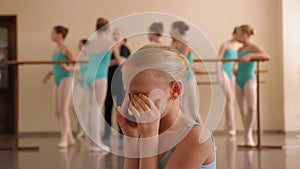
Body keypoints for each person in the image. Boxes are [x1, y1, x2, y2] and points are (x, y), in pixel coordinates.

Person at [117, 44, 216, 169]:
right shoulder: (148, 129)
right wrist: (130, 137)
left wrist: (149, 138)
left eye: (139, 95)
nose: (132, 105)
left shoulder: (196, 138)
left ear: (175, 90)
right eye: (129, 94)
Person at [235, 24, 269, 146]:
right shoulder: (239, 50)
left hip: (249, 78)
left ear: (245, 35)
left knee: (251, 108)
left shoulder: (254, 47)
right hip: (239, 79)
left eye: (238, 33)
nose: (236, 36)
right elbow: (238, 64)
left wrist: (251, 56)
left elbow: (266, 56)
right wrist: (235, 68)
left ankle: (248, 134)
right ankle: (247, 134)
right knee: (242, 109)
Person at [43, 25, 76, 148]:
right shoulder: (56, 50)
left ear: (60, 35)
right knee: (57, 111)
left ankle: (64, 139)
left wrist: (67, 67)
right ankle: (70, 137)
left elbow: (76, 66)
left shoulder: (65, 49)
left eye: (52, 33)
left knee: (63, 110)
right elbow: (57, 66)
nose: (51, 35)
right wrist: (49, 73)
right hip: (57, 79)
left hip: (66, 79)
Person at [83, 17, 112, 152]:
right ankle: (97, 144)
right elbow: (111, 61)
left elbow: (90, 60)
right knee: (96, 111)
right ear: (108, 29)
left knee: (89, 111)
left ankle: (91, 144)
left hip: (88, 76)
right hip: (100, 77)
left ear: (95, 29)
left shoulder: (89, 44)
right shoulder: (108, 42)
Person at [170, 21, 201, 123]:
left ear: (177, 30)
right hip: (179, 79)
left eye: (172, 29)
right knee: (181, 110)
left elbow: (180, 60)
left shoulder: (185, 43)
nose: (169, 31)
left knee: (193, 111)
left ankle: (206, 135)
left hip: (188, 78)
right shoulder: (174, 43)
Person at [103, 28, 131, 140]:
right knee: (108, 108)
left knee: (120, 108)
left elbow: (123, 62)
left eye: (118, 34)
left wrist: (115, 51)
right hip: (109, 82)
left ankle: (122, 133)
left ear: (123, 38)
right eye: (114, 34)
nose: (115, 36)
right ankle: (106, 134)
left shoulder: (125, 49)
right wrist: (116, 59)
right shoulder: (108, 50)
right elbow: (105, 64)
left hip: (120, 83)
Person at [218, 27, 241, 136]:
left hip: (233, 73)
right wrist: (218, 75)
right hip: (224, 71)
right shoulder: (225, 45)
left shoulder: (239, 47)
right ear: (234, 34)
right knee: (230, 97)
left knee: (230, 99)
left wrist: (237, 69)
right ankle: (232, 126)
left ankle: (228, 124)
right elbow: (218, 60)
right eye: (237, 34)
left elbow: (237, 62)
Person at [74, 39, 88, 139]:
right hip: (79, 84)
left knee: (86, 109)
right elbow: (75, 70)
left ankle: (84, 130)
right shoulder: (79, 57)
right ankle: (83, 128)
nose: (79, 47)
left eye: (81, 45)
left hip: (87, 85)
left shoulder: (90, 58)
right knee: (74, 106)